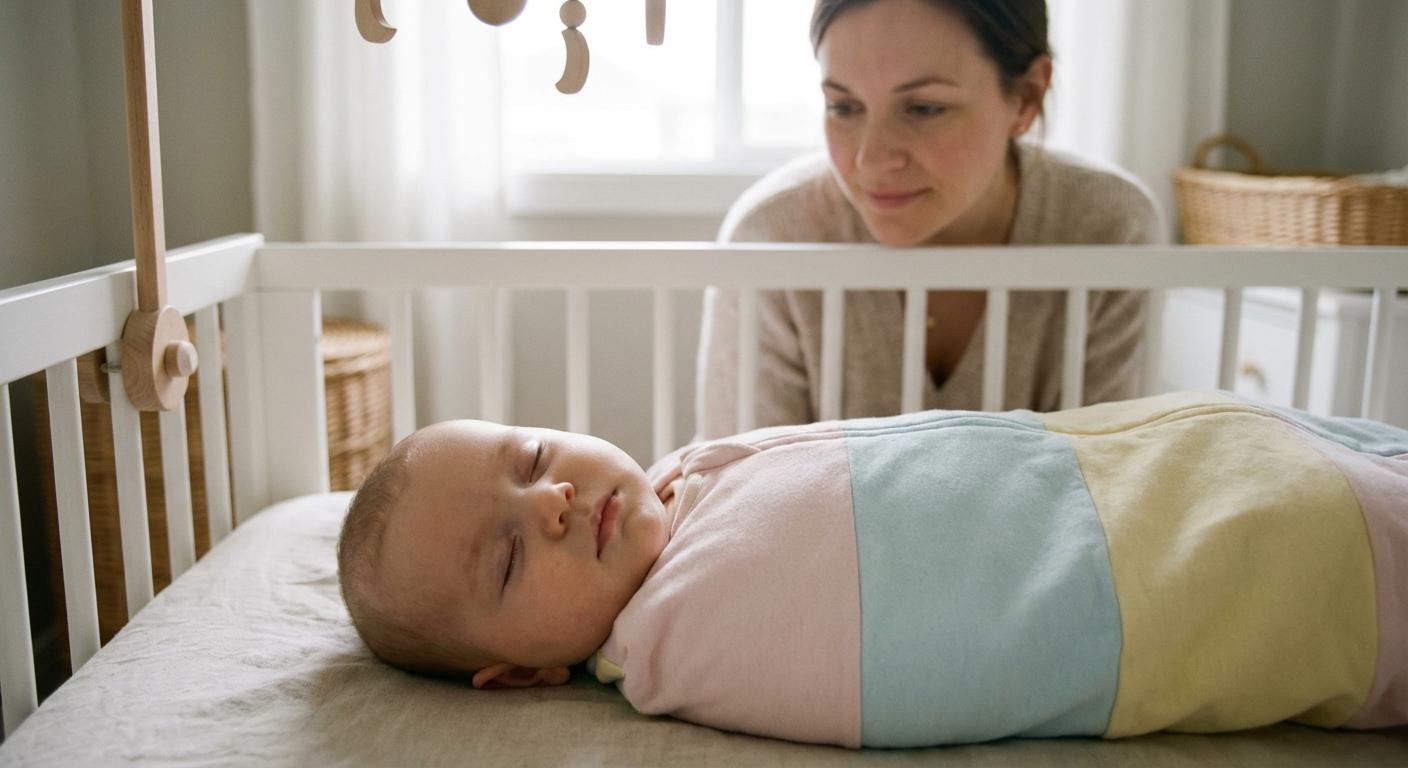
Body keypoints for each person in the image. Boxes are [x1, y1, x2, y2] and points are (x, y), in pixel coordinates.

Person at [337, 391, 1408, 748]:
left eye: (528, 460)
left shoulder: (685, 486)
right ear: (521, 676)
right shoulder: (680, 636)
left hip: (1172, 454)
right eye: (511, 556)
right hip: (1217, 552)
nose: (554, 501)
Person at [695, 0, 1164, 439]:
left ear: (1026, 98)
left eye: (924, 109)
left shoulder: (1109, 225)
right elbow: (734, 491)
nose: (870, 161)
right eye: (844, 106)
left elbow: (1110, 482)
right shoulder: (772, 236)